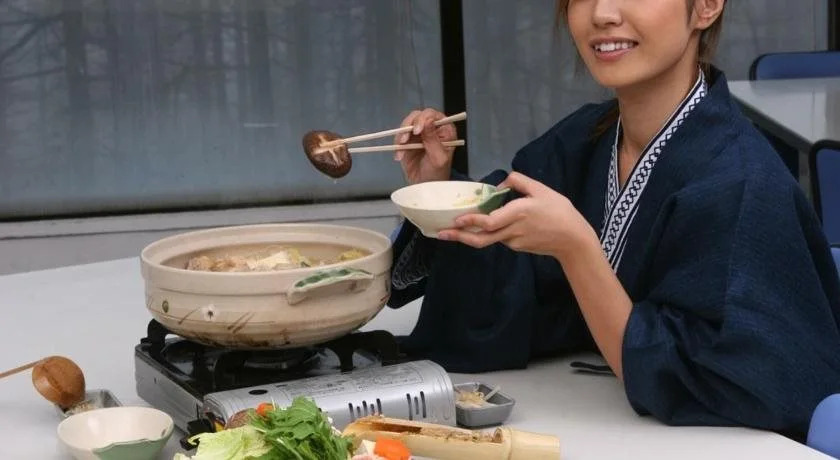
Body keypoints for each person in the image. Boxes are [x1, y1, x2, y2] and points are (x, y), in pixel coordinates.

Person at [386, 0, 840, 437]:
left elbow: (742, 382)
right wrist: (439, 192)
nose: (602, 13)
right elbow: (507, 275)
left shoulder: (741, 184)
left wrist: (577, 250)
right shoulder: (584, 139)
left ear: (706, 6)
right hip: (597, 423)